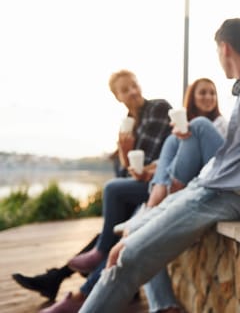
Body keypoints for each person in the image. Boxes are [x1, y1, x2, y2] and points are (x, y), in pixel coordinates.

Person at [78, 17, 240, 313]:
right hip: (204, 187)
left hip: (219, 195)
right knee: (124, 242)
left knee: (124, 259)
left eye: (218, 51)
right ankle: (144, 215)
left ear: (224, 48)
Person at [35, 78, 229, 313]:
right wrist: (129, 157)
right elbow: (129, 171)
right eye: (203, 93)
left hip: (183, 187)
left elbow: (207, 163)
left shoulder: (189, 120)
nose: (208, 97)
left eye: (212, 93)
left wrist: (159, 178)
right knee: (135, 226)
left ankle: (84, 287)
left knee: (132, 219)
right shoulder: (141, 126)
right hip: (163, 185)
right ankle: (83, 281)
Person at [11, 69, 172, 301]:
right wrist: (124, 154)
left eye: (134, 85)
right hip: (137, 190)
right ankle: (58, 277)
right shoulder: (127, 126)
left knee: (113, 225)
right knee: (113, 232)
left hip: (156, 186)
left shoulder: (157, 108)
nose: (133, 92)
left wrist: (128, 154)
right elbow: (125, 171)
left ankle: (74, 289)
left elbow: (144, 167)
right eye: (126, 90)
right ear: (118, 97)